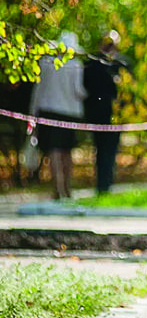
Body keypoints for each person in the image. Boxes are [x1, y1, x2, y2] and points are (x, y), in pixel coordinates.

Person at [29, 31, 86, 199]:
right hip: (69, 113)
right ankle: (67, 188)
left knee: (53, 150)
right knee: (66, 152)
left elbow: (37, 90)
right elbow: (78, 91)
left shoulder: (45, 63)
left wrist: (33, 112)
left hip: (48, 111)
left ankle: (57, 188)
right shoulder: (75, 65)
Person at [83, 30, 129, 194]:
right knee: (101, 149)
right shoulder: (93, 63)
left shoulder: (121, 64)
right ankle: (102, 185)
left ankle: (107, 183)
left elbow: (128, 91)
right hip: (98, 115)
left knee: (110, 150)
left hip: (116, 117)